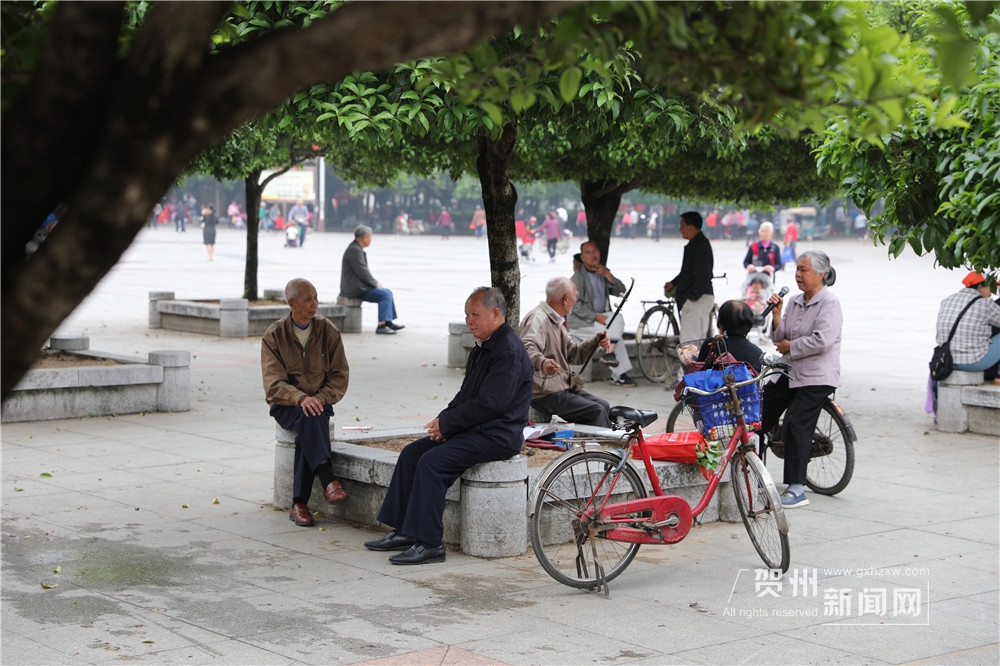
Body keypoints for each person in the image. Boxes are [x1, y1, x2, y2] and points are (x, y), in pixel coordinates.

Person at [364, 287, 533, 565]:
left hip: (497, 435)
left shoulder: (509, 351)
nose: (469, 321)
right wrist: (442, 421)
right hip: (475, 428)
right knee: (411, 454)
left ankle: (430, 543)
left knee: (432, 463)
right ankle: (405, 531)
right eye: (466, 315)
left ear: (495, 314)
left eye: (475, 315)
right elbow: (465, 395)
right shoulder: (483, 348)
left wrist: (450, 424)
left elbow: (491, 405)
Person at [261, 278, 350, 527]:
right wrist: (300, 398)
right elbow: (274, 384)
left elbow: (339, 376)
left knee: (310, 419)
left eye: (316, 298)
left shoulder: (328, 331)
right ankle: (328, 478)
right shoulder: (274, 335)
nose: (315, 304)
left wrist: (317, 399)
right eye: (308, 299)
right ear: (291, 303)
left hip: (320, 404)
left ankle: (299, 503)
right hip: (286, 405)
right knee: (309, 416)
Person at [759, 251, 843, 509]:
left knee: (796, 422)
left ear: (821, 274)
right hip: (790, 371)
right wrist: (777, 314)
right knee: (759, 411)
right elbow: (779, 337)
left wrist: (791, 347)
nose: (798, 274)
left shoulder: (829, 303)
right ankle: (752, 467)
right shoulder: (795, 301)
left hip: (817, 375)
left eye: (804, 270)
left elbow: (822, 340)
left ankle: (796, 487)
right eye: (797, 269)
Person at [519, 277, 613, 428]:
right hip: (544, 392)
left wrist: (595, 341)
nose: (576, 300)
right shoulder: (539, 318)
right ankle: (602, 450)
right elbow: (525, 346)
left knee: (604, 405)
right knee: (597, 411)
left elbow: (572, 353)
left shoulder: (555, 320)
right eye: (575, 295)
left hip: (560, 387)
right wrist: (542, 362)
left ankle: (595, 445)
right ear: (566, 299)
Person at [568, 241, 636, 387]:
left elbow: (621, 291)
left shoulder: (602, 273)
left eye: (595, 251)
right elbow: (576, 306)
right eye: (588, 252)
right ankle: (617, 371)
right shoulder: (577, 279)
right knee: (616, 324)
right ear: (583, 257)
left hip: (600, 320)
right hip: (583, 323)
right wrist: (595, 316)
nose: (593, 255)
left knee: (614, 332)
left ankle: (616, 371)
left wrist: (608, 275)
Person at [340, 225, 405, 335]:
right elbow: (362, 272)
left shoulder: (355, 248)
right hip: (354, 289)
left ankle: (388, 321)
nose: (370, 240)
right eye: (370, 237)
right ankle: (381, 325)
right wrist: (374, 283)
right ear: (365, 237)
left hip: (357, 286)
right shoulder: (354, 250)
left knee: (387, 292)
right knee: (384, 294)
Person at [663, 211, 715, 344]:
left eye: (682, 225)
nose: (680, 229)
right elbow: (688, 272)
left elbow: (702, 276)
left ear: (691, 227)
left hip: (697, 299)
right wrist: (675, 283)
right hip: (696, 298)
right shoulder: (696, 244)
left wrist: (690, 298)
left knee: (689, 344)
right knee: (695, 342)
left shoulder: (700, 246)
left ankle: (690, 366)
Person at [935, 272, 1000, 378]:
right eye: (990, 287)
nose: (992, 292)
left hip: (947, 359)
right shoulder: (985, 303)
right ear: (980, 287)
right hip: (974, 362)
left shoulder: (948, 300)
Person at [695, 300, 763, 373]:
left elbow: (698, 371)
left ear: (721, 324)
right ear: (750, 324)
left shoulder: (712, 345)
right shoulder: (757, 352)